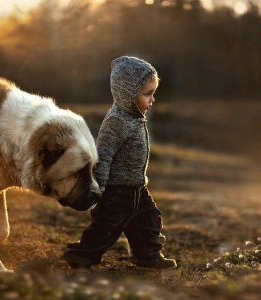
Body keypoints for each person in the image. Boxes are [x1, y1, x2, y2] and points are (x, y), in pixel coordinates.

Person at [62, 56, 177, 269]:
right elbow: (103, 155)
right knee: (106, 227)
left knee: (149, 221)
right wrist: (99, 188)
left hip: (137, 188)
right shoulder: (117, 121)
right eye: (148, 94)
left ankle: (148, 256)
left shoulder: (135, 116)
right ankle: (83, 255)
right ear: (128, 94)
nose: (152, 100)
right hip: (116, 190)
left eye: (153, 93)